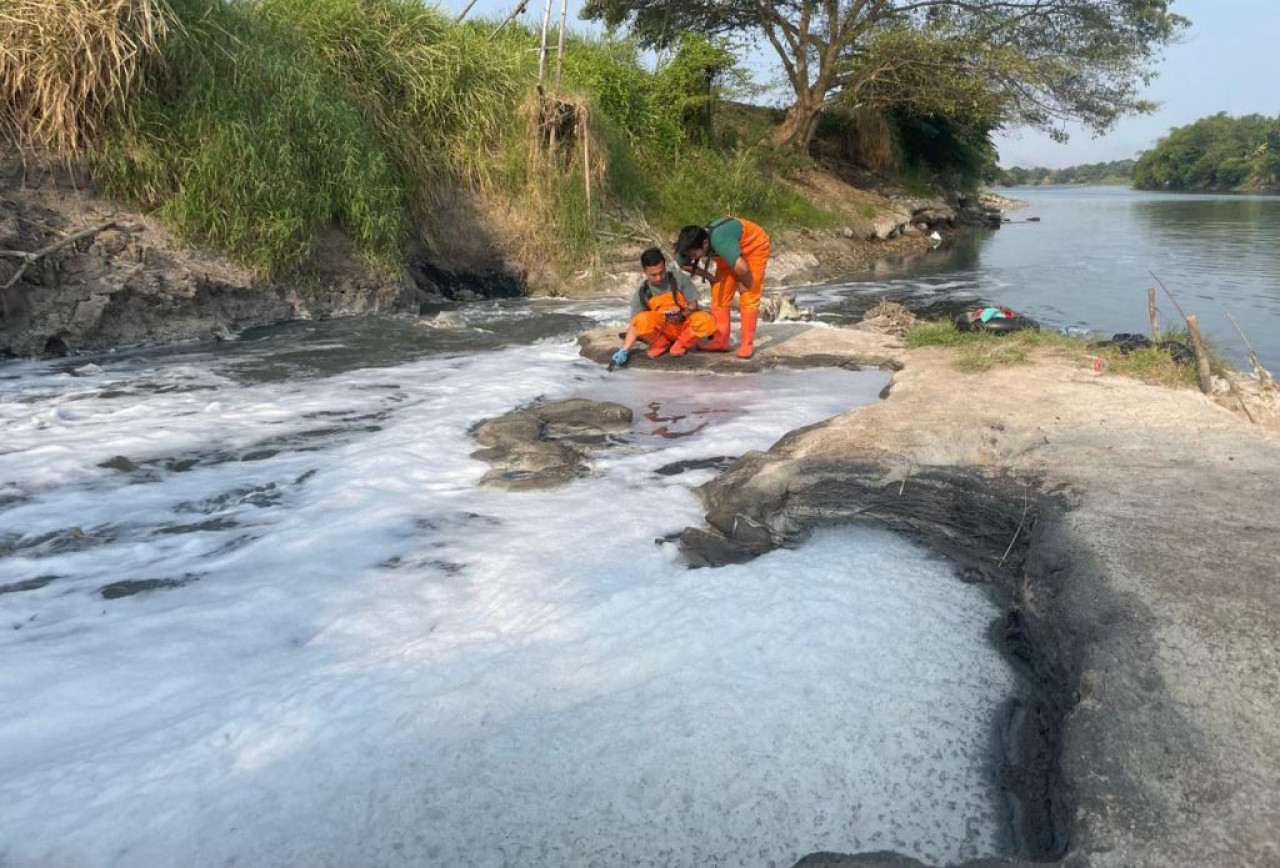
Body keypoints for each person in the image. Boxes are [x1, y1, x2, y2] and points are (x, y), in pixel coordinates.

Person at [674, 216, 771, 359]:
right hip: (729, 253)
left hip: (753, 246)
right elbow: (683, 264)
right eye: (689, 254)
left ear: (705, 244)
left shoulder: (720, 241)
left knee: (749, 295)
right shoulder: (688, 245)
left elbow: (742, 269)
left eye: (694, 254)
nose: (692, 257)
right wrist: (709, 277)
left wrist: (746, 284)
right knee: (719, 292)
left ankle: (747, 344)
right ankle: (721, 340)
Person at [611, 247, 716, 367]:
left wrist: (681, 314)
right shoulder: (642, 291)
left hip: (683, 325)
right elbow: (635, 325)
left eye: (661, 272)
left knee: (707, 319)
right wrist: (624, 350)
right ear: (645, 272)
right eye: (653, 275)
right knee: (641, 319)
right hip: (662, 331)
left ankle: (680, 344)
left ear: (665, 266)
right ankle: (661, 344)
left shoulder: (680, 279)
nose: (659, 278)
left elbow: (694, 306)